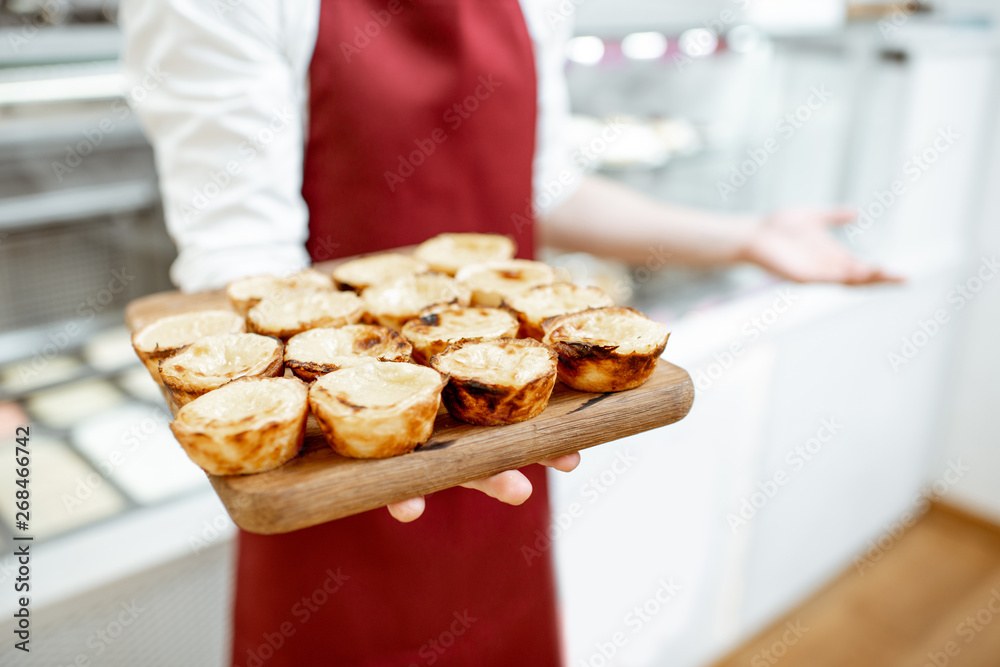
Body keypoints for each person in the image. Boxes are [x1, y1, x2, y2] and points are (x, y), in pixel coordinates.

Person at [121, 1, 895, 664]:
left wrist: (744, 235)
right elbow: (244, 256)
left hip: (500, 417)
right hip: (335, 455)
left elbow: (541, 185)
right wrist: (377, 401)